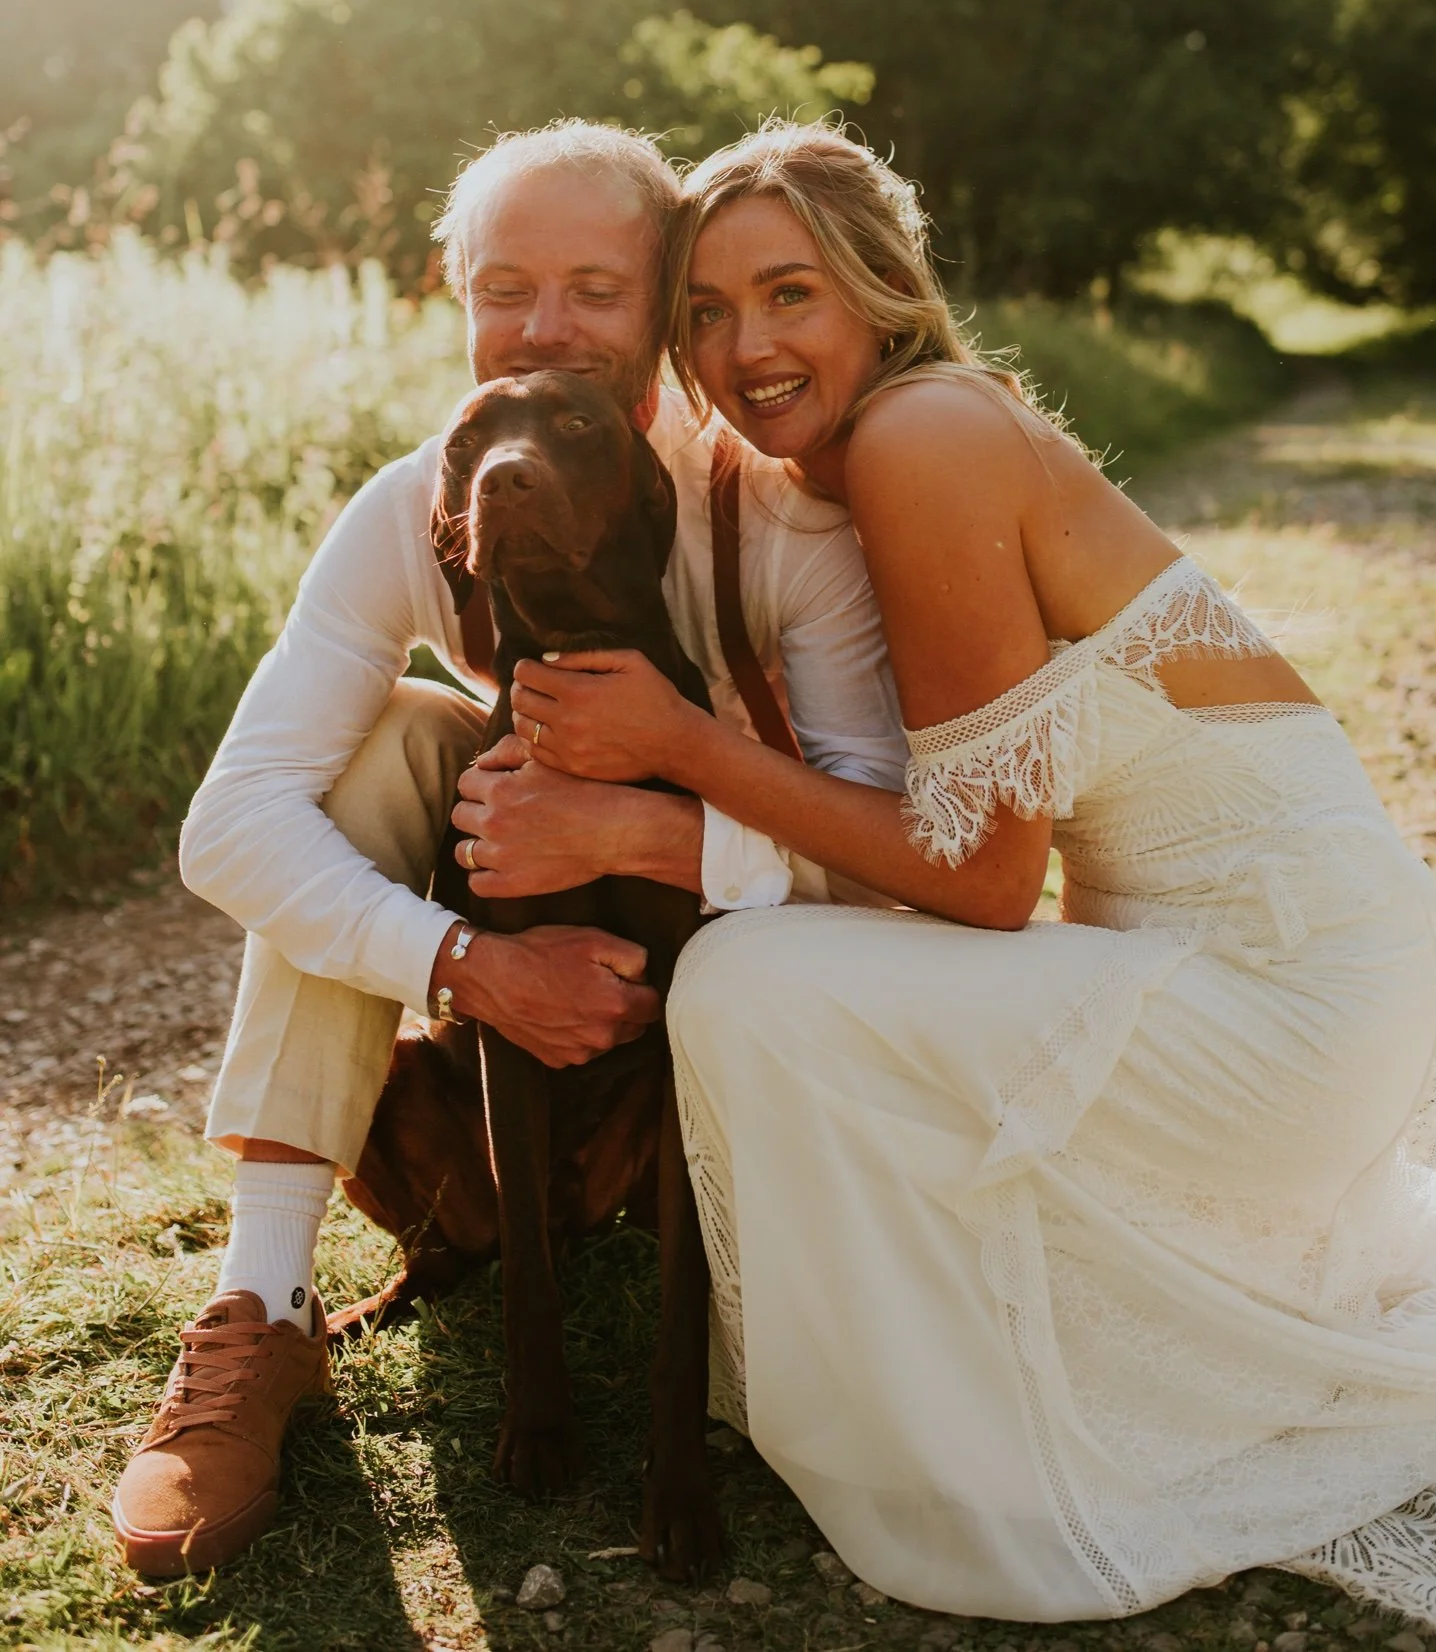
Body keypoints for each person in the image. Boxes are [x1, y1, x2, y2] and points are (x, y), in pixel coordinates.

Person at [510, 122, 1436, 1651]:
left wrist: (671, 758)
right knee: (826, 986)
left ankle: (936, 1435)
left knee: (742, 985)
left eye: (788, 294)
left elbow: (982, 884)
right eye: (705, 315)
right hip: (1273, 969)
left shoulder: (924, 441)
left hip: (1279, 1004)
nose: (746, 346)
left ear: (877, 287)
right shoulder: (896, 446)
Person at [111, 120, 907, 1580]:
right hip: (526, 943)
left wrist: (656, 823)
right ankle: (262, 1306)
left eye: (596, 289)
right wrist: (468, 966)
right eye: (505, 288)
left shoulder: (783, 512)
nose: (544, 327)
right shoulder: (429, 495)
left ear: (667, 297)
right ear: (454, 296)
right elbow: (229, 824)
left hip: (750, 963)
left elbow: (894, 849)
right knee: (371, 746)